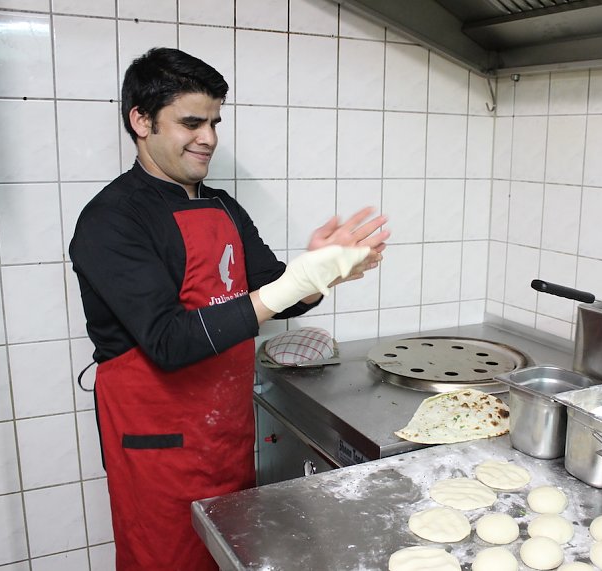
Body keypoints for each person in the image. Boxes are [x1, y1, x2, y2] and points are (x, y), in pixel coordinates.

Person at [69, 47, 388, 571]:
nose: (209, 138)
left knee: (228, 554)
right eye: (191, 122)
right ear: (141, 120)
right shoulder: (111, 220)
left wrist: (319, 272)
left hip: (224, 433)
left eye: (215, 121)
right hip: (157, 448)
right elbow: (170, 341)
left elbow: (271, 289)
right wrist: (296, 284)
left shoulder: (222, 206)